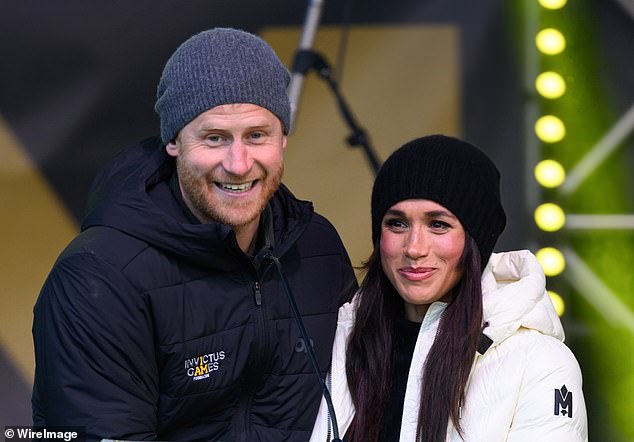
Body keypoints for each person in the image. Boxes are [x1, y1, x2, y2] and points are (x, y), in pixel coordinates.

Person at [32, 28, 356, 441]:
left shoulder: (317, 248)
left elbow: (367, 401)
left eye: (257, 135)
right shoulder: (98, 275)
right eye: (214, 138)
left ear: (283, 139)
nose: (238, 164)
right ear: (174, 142)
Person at [311, 134, 588, 441]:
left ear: (476, 240)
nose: (414, 248)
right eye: (397, 223)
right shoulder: (338, 338)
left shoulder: (537, 360)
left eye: (438, 224)